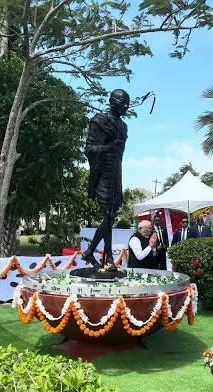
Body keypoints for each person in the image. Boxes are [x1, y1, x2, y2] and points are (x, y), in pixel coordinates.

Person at [81, 89, 130, 270]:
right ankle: (108, 257)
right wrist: (108, 147)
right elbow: (89, 149)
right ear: (111, 102)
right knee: (108, 215)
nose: (125, 106)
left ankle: (90, 250)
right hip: (102, 173)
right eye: (121, 102)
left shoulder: (124, 127)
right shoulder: (100, 121)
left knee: (110, 215)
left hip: (117, 173)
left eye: (127, 103)